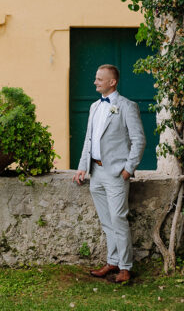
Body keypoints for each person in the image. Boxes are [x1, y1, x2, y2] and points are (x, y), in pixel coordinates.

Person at [73, 64, 145, 283]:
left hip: (116, 173)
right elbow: (89, 139)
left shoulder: (127, 106)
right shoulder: (95, 106)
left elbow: (139, 140)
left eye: (99, 79)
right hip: (96, 172)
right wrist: (82, 167)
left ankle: (125, 267)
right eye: (96, 78)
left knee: (118, 219)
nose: (95, 82)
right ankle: (112, 261)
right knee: (106, 222)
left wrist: (128, 169)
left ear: (112, 82)